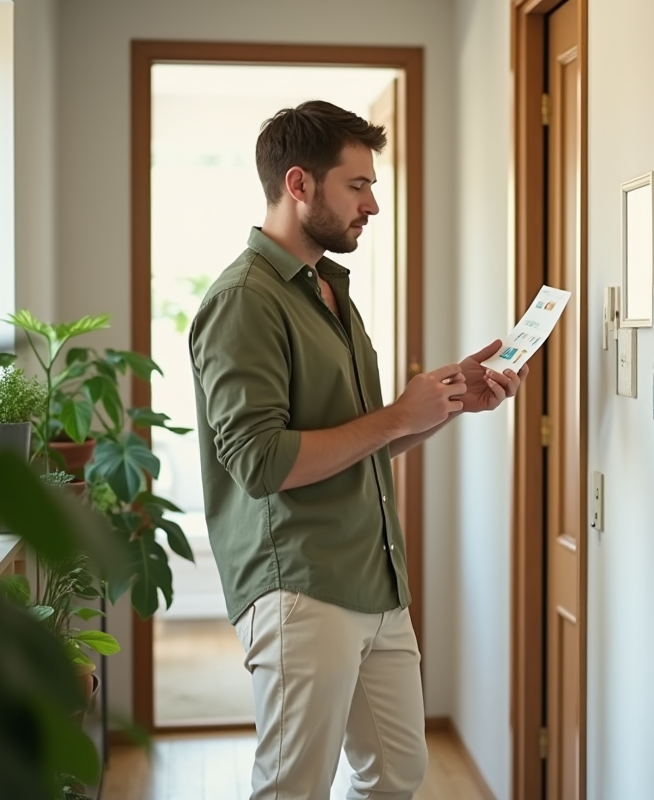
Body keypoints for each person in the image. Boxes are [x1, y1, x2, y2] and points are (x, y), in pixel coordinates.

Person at [188, 100, 527, 800]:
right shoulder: (244, 300)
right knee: (293, 789)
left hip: (377, 580)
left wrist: (446, 403)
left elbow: (361, 445)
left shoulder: (331, 292)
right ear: (299, 184)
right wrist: (397, 413)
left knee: (396, 774)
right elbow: (261, 463)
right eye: (358, 185)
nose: (372, 204)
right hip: (301, 586)